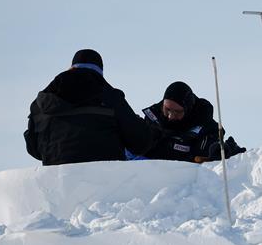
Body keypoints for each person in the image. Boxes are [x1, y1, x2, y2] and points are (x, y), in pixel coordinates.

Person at [24, 49, 156, 165]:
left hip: (57, 183)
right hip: (105, 184)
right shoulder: (110, 97)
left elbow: (34, 149)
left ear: (71, 68)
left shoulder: (41, 102)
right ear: (100, 72)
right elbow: (141, 142)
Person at [141, 81, 245, 163]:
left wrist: (221, 150)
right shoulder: (152, 119)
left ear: (188, 109)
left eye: (177, 111)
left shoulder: (205, 126)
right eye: (167, 109)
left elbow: (211, 150)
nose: (171, 116)